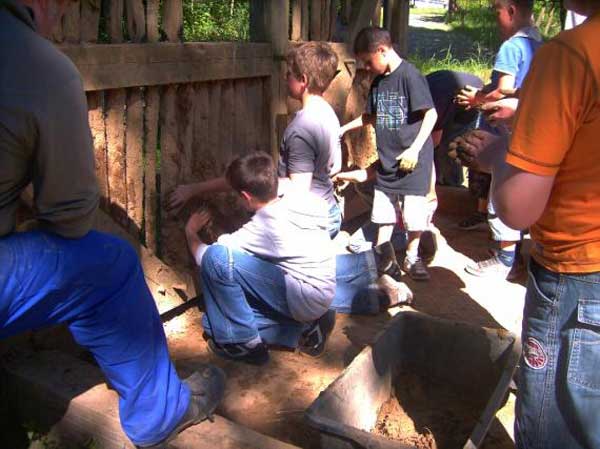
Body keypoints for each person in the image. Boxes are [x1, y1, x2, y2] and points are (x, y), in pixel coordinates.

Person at [0, 1, 226, 448]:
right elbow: (69, 218)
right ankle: (160, 411)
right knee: (114, 264)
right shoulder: (41, 66)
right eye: (62, 12)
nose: (58, 24)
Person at [450, 2, 600, 447]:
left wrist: (498, 157)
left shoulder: (571, 55)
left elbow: (518, 210)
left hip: (577, 278)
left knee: (554, 427)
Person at [185, 152, 412, 365]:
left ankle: (245, 344)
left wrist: (191, 233)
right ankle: (304, 329)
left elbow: (209, 258)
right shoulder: (298, 195)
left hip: (304, 299)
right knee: (215, 321)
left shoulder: (263, 227)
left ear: (246, 196)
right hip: (322, 289)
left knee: (217, 262)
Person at [170, 41, 343, 238]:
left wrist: (254, 184)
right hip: (329, 209)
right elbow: (335, 167)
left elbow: (299, 188)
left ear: (303, 80)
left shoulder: (302, 128)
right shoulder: (328, 113)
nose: (285, 77)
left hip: (311, 222)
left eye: (289, 74)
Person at [336, 27, 438, 281]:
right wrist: (343, 129)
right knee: (383, 213)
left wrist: (414, 149)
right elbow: (370, 117)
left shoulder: (410, 76)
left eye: (368, 61)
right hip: (388, 160)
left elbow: (431, 114)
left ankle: (412, 257)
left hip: (413, 161)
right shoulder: (379, 82)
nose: (367, 67)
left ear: (382, 50)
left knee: (414, 215)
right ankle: (385, 258)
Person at [454, 0, 542, 280]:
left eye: (497, 12)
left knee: (501, 191)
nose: (496, 19)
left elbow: (504, 89)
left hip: (505, 132)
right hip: (531, 130)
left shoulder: (511, 47)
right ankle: (517, 256)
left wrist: (477, 98)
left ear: (511, 11)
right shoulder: (542, 45)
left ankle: (505, 260)